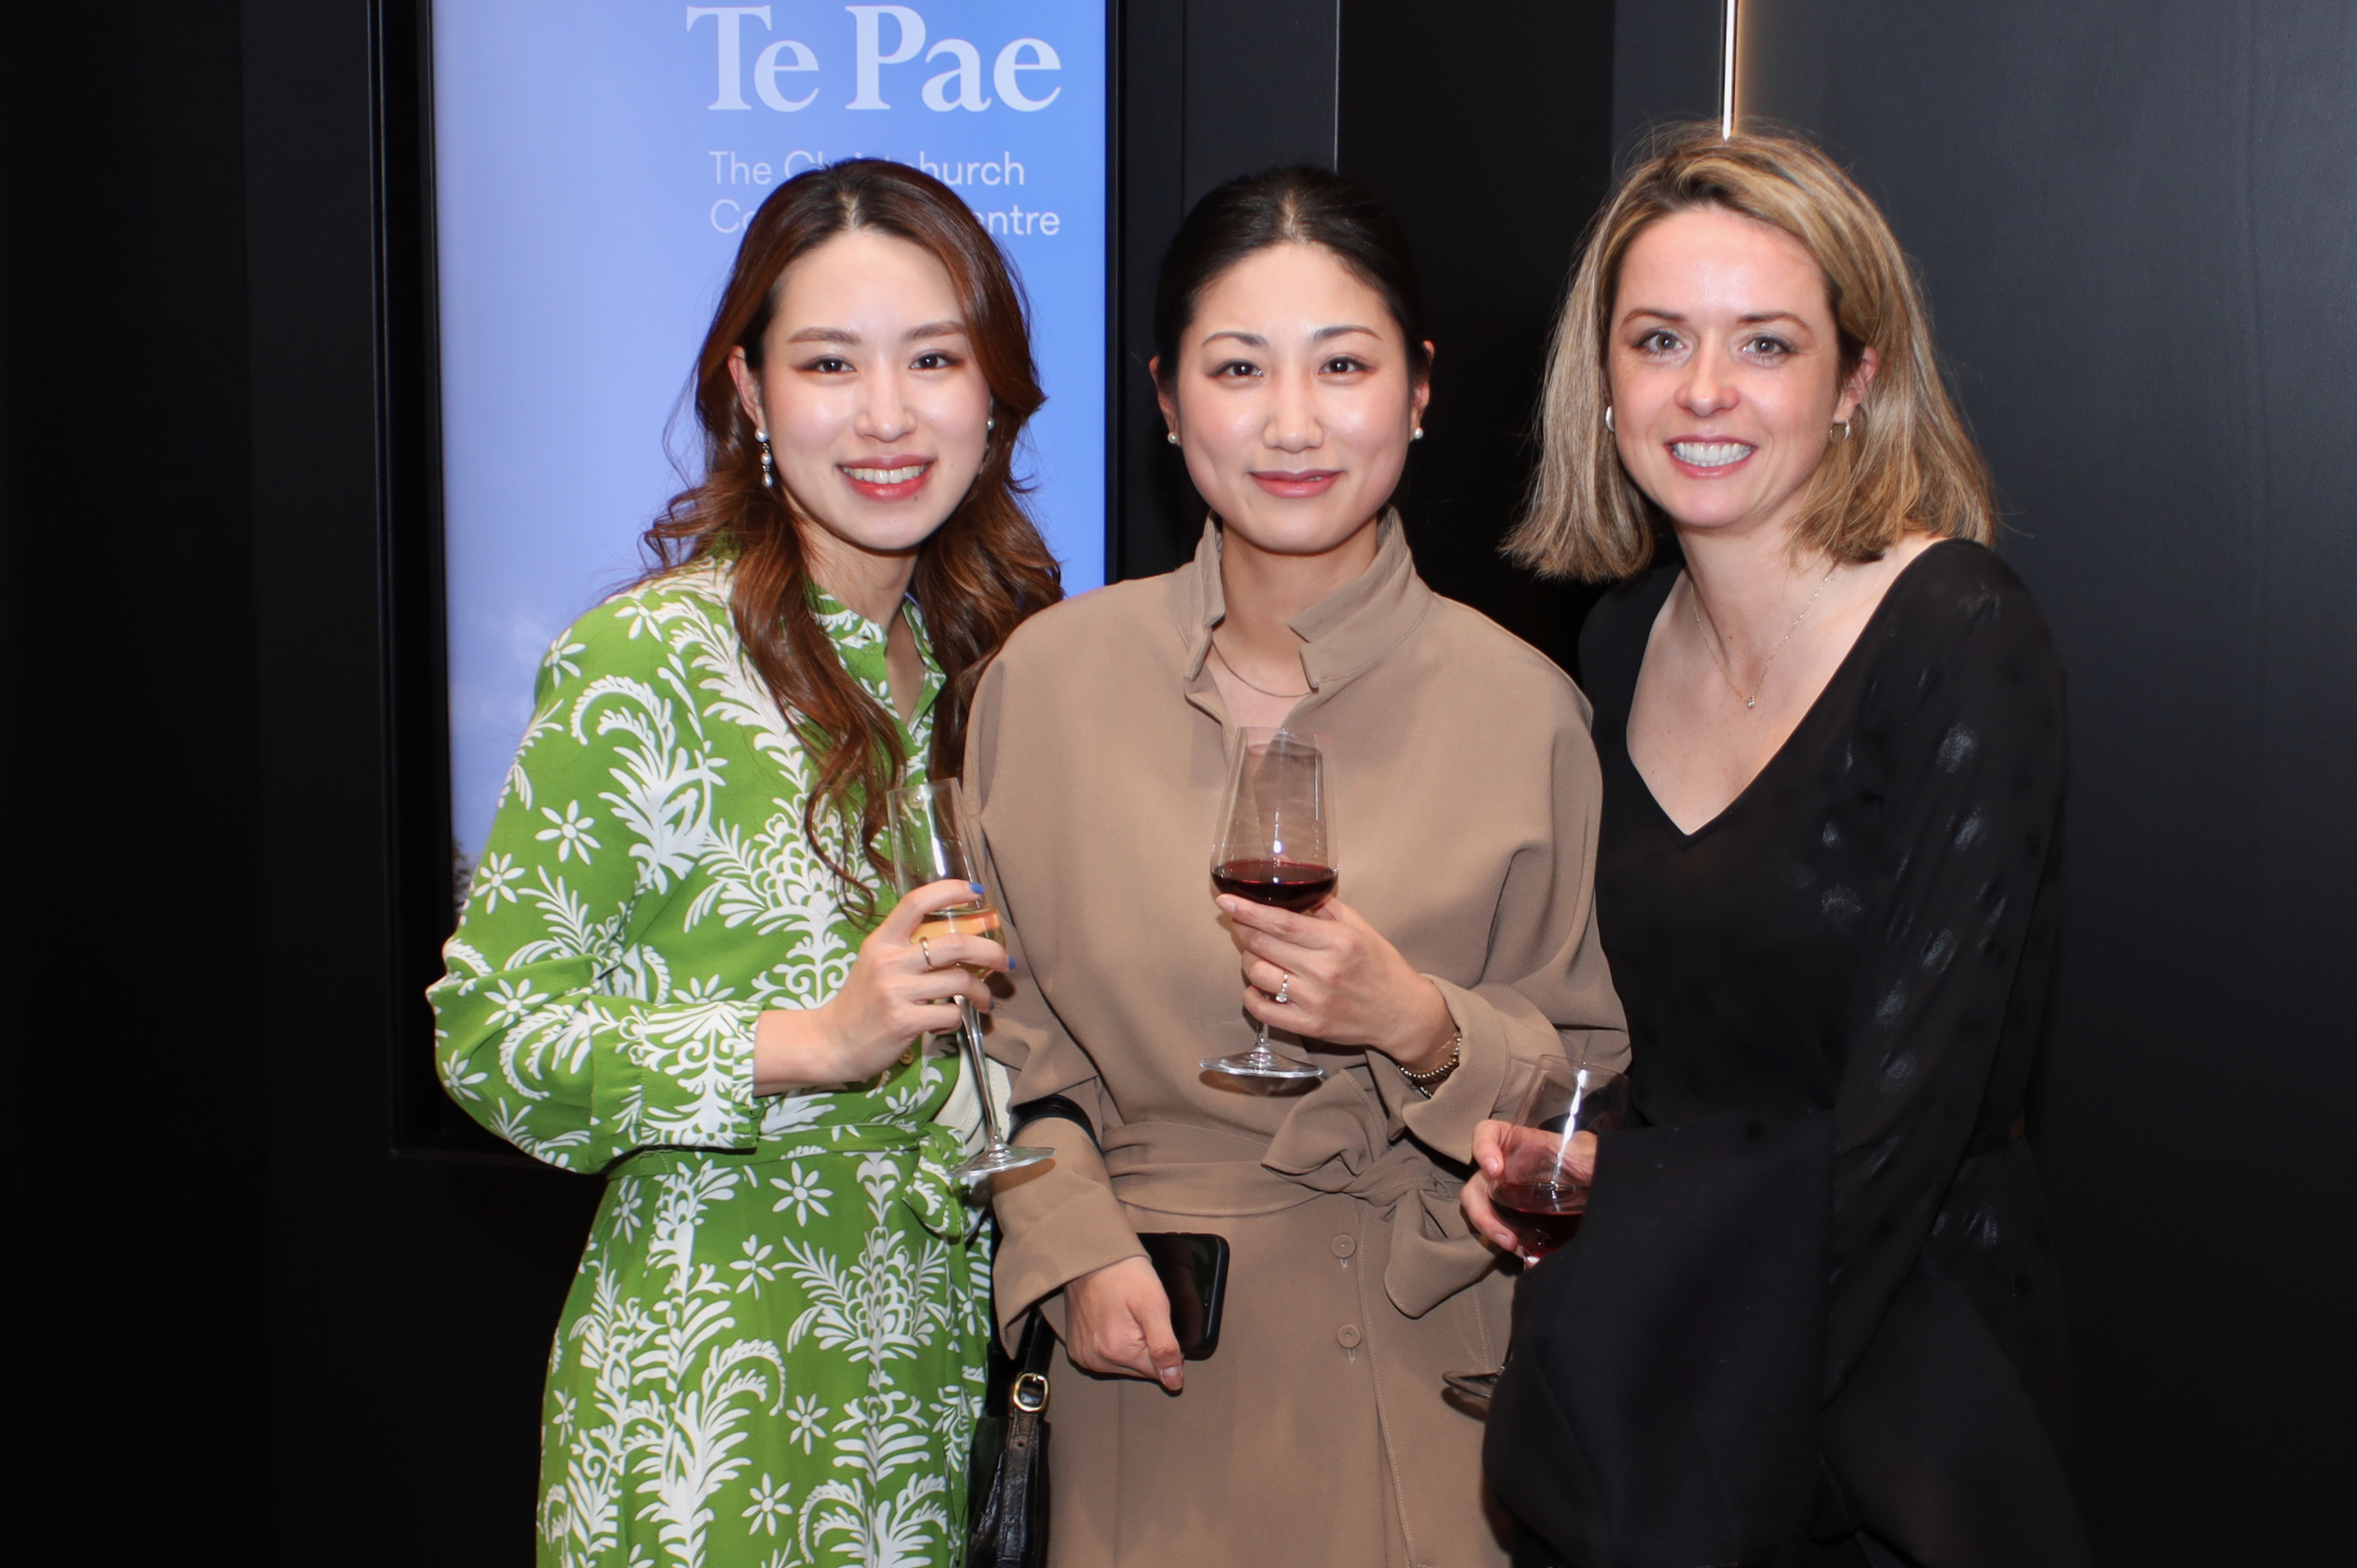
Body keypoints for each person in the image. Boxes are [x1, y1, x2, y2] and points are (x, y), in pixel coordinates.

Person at [962, 166, 1630, 1567]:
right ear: (1165, 400)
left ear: (1418, 390)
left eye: (1341, 365)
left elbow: (1583, 1079)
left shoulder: (1525, 711)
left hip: (1421, 1366)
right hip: (1152, 1358)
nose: (1291, 422)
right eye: (1237, 368)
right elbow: (990, 1041)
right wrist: (1068, 1239)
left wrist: (1422, 1025)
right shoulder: (1049, 681)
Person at [1470, 127, 2090, 1568]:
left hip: (1904, 1359)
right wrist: (1585, 1154)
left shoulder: (1958, 632)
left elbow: (1908, 1115)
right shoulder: (1620, 640)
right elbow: (1695, 1043)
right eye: (1658, 340)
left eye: (1765, 343)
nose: (1703, 389)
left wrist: (1695, 1405)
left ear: (1856, 380)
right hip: (1694, 1335)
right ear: (1602, 379)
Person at [428, 160, 1060, 1568]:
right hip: (708, 1396)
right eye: (829, 363)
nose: (886, 414)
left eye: (933, 359)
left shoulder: (995, 665)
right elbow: (489, 1037)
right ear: (752, 394)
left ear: (995, 394)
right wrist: (809, 1042)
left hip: (930, 1393)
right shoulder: (648, 660)